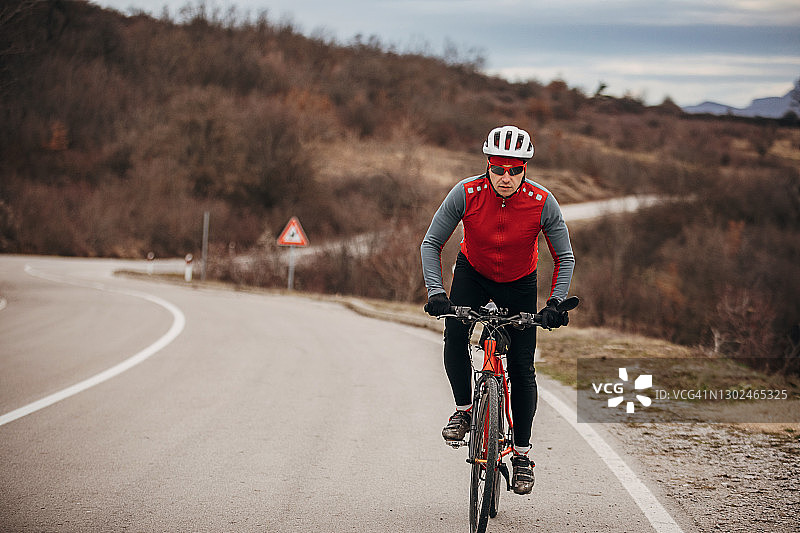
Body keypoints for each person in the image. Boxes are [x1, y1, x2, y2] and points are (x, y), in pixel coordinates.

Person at [420, 125, 575, 495]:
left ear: (524, 169)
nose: (506, 178)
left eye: (515, 170)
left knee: (522, 367)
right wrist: (437, 293)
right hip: (472, 275)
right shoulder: (465, 193)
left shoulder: (542, 201)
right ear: (487, 166)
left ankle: (521, 455)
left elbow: (564, 257)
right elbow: (431, 243)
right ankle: (464, 411)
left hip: (520, 283)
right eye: (499, 169)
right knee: (455, 334)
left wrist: (555, 304)